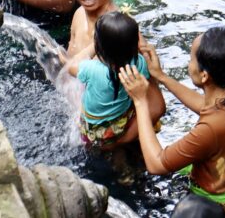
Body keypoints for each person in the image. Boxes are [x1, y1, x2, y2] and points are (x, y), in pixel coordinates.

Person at [120, 28, 225, 217]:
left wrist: (140, 101)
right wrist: (161, 77)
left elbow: (156, 165)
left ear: (204, 75)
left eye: (191, 59)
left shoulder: (211, 128)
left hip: (213, 205)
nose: (188, 63)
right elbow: (204, 105)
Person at [66, 11, 165, 150]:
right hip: (121, 123)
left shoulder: (93, 69)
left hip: (95, 130)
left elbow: (71, 66)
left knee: (88, 139)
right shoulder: (140, 63)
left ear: (100, 47)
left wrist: (94, 45)